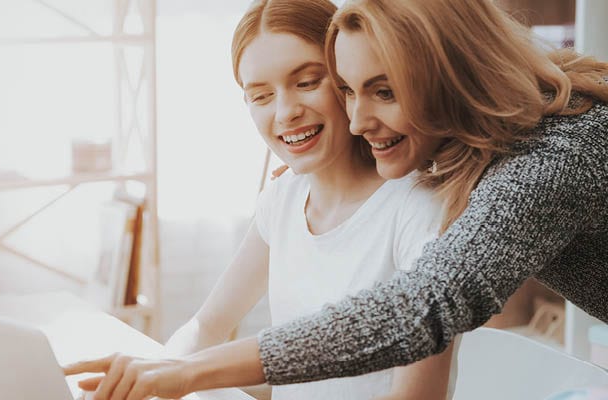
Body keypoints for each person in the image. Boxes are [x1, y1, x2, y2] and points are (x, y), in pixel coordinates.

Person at [63, 0, 608, 398]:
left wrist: (192, 373)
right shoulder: (494, 140)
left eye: (385, 89)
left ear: (451, 75)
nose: (355, 119)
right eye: (348, 89)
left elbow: (421, 310)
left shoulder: (551, 157)